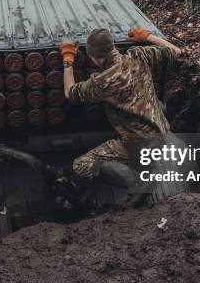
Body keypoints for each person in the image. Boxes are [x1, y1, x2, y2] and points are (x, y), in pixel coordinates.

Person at [59, 27, 182, 208]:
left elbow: (70, 92)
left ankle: (140, 183)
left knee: (82, 165)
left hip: (138, 143)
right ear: (113, 46)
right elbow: (177, 52)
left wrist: (67, 60)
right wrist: (149, 36)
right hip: (161, 132)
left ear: (94, 58)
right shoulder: (139, 55)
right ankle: (145, 172)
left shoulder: (102, 82)